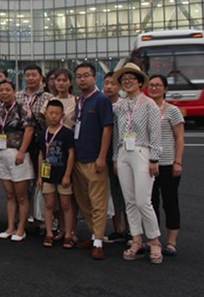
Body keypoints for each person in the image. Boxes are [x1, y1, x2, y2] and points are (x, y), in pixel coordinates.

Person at [112, 63, 163, 264]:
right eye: (124, 79)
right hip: (123, 151)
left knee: (143, 201)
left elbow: (155, 133)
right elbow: (116, 133)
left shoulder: (149, 104)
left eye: (131, 79)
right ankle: (136, 239)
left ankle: (154, 240)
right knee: (130, 200)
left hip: (142, 151)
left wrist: (154, 159)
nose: (128, 82)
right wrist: (115, 157)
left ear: (140, 82)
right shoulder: (119, 106)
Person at [72, 62, 114, 260]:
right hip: (78, 158)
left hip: (95, 159)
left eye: (86, 75)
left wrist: (102, 157)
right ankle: (93, 234)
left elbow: (107, 128)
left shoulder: (101, 100)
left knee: (98, 202)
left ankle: (98, 241)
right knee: (83, 201)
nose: (82, 79)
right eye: (79, 76)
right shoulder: (80, 100)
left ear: (94, 77)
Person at [0, 80, 34, 241]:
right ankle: (10, 227)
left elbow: (29, 130)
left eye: (7, 90)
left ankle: (21, 228)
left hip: (18, 153)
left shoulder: (22, 108)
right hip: (3, 153)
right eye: (1, 90)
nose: (4, 93)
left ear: (14, 91)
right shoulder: (0, 109)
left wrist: (22, 151)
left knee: (21, 195)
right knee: (9, 194)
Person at [147, 74, 185, 256]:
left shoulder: (172, 111)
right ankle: (153, 238)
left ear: (165, 89)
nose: (154, 88)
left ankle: (171, 241)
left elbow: (180, 137)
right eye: (151, 85)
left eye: (158, 85)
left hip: (168, 163)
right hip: (148, 164)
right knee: (150, 203)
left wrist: (178, 161)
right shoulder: (145, 109)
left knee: (170, 202)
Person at [38, 100, 75, 248]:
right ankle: (49, 233)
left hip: (62, 173)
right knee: (49, 204)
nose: (53, 116)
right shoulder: (43, 133)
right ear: (45, 114)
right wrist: (40, 176)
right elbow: (41, 155)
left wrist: (67, 175)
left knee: (66, 204)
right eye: (51, 113)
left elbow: (71, 154)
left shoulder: (67, 133)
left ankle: (68, 234)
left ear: (62, 115)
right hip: (47, 173)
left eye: (57, 113)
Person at [102, 71, 128, 243]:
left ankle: (131, 230)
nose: (109, 87)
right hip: (105, 155)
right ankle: (118, 228)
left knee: (126, 193)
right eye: (106, 83)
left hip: (123, 155)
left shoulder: (124, 106)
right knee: (112, 193)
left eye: (113, 83)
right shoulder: (101, 103)